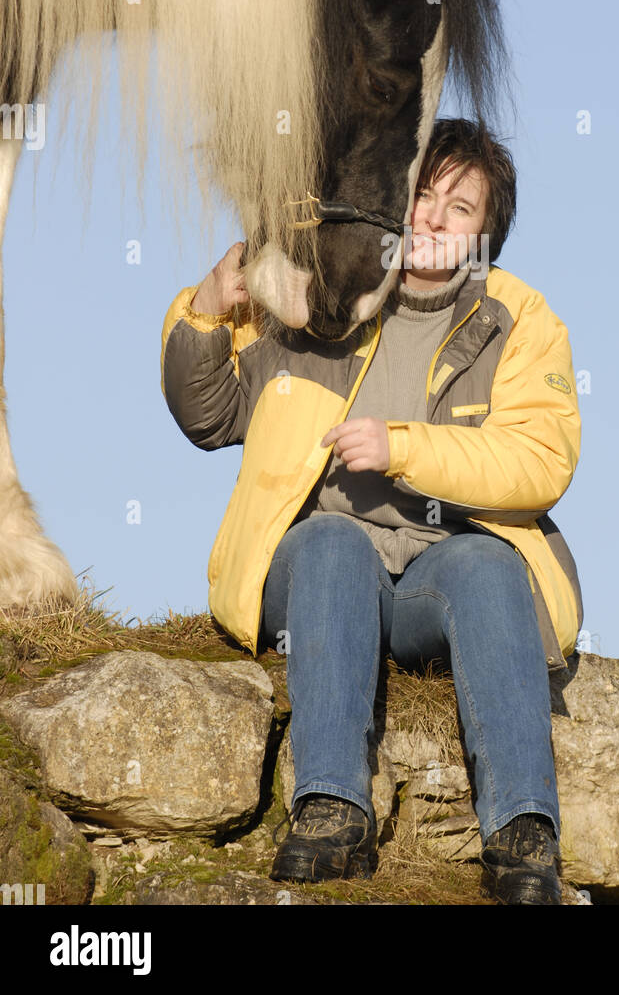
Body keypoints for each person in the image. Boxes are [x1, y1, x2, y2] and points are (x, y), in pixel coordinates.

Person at [160, 118, 582, 905]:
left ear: (485, 235)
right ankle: (330, 810)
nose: (431, 219)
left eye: (460, 208)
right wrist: (205, 311)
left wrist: (403, 449)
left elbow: (541, 459)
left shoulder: (520, 321)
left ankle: (523, 836)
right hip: (320, 573)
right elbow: (208, 415)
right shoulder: (327, 293)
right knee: (329, 543)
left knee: (490, 565)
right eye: (422, 194)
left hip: (438, 572)